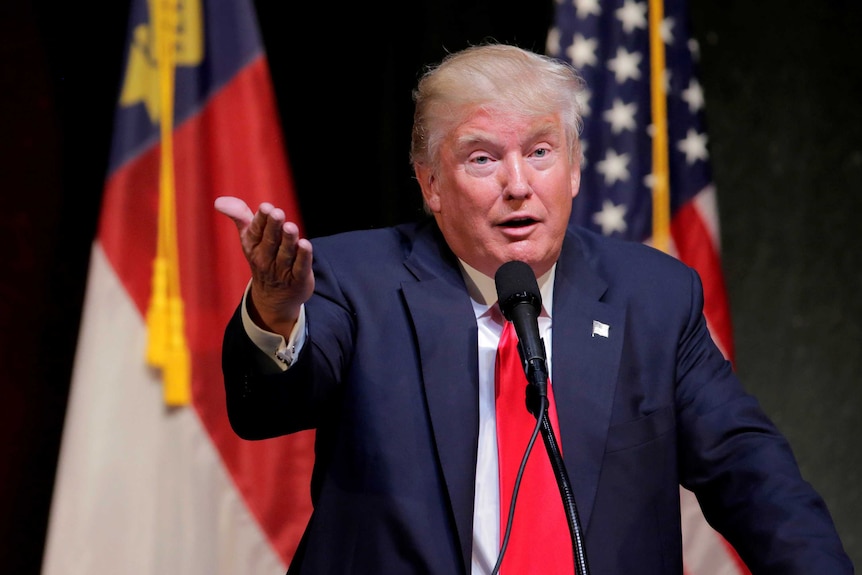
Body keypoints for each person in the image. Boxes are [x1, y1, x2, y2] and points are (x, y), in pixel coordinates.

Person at [215, 43, 853, 574]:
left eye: (541, 152)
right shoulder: (357, 281)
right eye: (483, 158)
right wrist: (274, 313)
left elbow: (752, 476)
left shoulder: (652, 298)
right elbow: (266, 408)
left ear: (574, 168)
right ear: (431, 183)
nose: (518, 184)